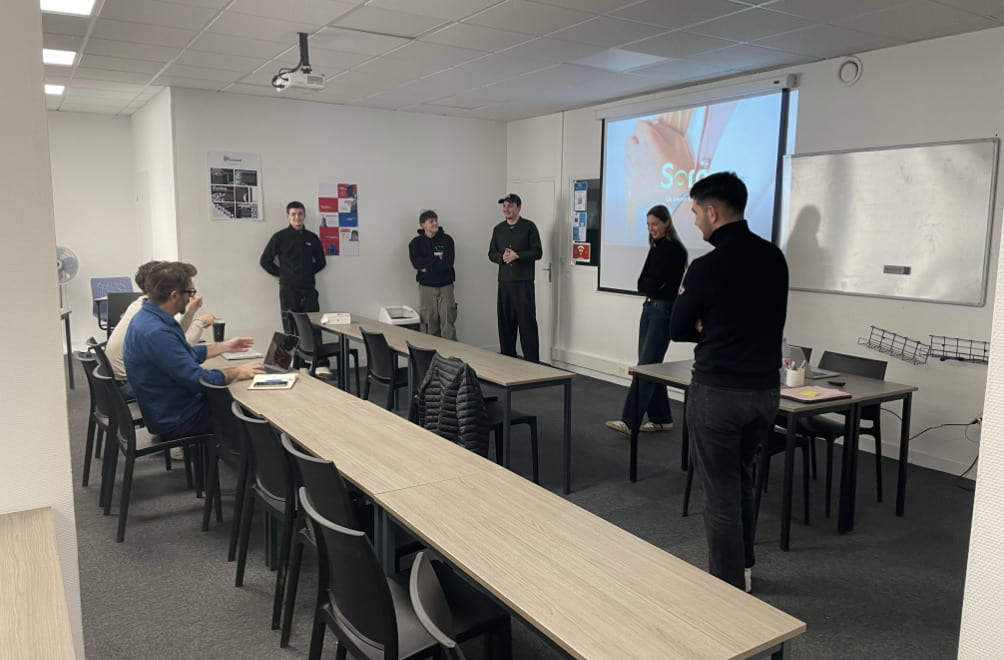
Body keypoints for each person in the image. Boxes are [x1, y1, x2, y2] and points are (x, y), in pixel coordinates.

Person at [669, 172, 788, 592]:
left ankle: (728, 589)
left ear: (713, 212)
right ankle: (745, 569)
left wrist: (707, 324)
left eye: (695, 212)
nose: (694, 221)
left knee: (720, 494)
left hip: (718, 392)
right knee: (743, 479)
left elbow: (678, 327)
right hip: (765, 393)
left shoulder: (706, 267)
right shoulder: (774, 258)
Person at [124, 262, 264, 439]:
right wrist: (236, 372)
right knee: (254, 417)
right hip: (178, 419)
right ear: (174, 295)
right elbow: (199, 380)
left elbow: (181, 355)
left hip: (168, 408)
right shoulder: (156, 332)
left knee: (240, 401)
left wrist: (224, 346)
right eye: (190, 292)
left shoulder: (147, 318)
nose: (191, 298)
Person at [605, 205, 688, 436]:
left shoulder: (675, 250)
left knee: (646, 366)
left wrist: (652, 284)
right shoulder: (656, 247)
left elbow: (656, 282)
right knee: (651, 366)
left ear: (666, 223)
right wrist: (651, 284)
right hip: (650, 306)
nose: (651, 229)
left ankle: (630, 421)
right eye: (648, 225)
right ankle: (662, 418)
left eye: (655, 224)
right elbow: (642, 283)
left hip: (663, 309)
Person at [105, 261, 214, 398]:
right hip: (130, 383)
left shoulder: (142, 306)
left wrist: (190, 313)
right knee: (209, 391)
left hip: (126, 378)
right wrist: (199, 323)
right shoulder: (150, 322)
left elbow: (174, 336)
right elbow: (179, 347)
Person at [488, 193, 542, 362]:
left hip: (523, 284)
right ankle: (508, 363)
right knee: (505, 326)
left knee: (527, 325)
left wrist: (518, 256)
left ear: (518, 207)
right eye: (504, 206)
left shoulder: (529, 227)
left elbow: (537, 252)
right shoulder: (498, 229)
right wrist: (502, 257)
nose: (506, 209)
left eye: (510, 206)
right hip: (504, 284)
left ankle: (533, 364)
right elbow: (491, 253)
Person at [260, 201, 326, 330]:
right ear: (288, 216)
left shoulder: (312, 238)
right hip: (288, 290)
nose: (297, 217)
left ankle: (314, 345)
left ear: (304, 215)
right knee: (291, 329)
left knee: (313, 328)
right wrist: (284, 274)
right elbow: (265, 261)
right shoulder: (279, 237)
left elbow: (321, 262)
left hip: (309, 290)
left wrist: (307, 273)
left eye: (300, 214)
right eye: (293, 214)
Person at [409, 210, 457, 340]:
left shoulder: (447, 240)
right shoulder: (416, 243)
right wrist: (436, 259)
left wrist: (427, 266)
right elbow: (417, 263)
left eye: (436, 220)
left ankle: (450, 351)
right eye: (431, 221)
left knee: (448, 322)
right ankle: (433, 352)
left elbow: (447, 264)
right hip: (426, 288)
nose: (435, 223)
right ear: (423, 224)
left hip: (446, 287)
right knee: (430, 323)